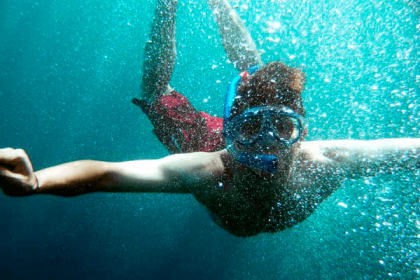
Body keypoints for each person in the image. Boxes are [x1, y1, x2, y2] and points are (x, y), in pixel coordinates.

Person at [0, 0, 419, 237]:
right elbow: (108, 174)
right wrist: (38, 182)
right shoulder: (204, 169)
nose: (269, 145)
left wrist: (39, 183)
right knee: (156, 94)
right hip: (210, 143)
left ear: (301, 132)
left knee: (255, 75)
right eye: (254, 129)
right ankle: (168, 6)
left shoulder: (328, 159)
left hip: (231, 139)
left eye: (284, 129)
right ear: (234, 132)